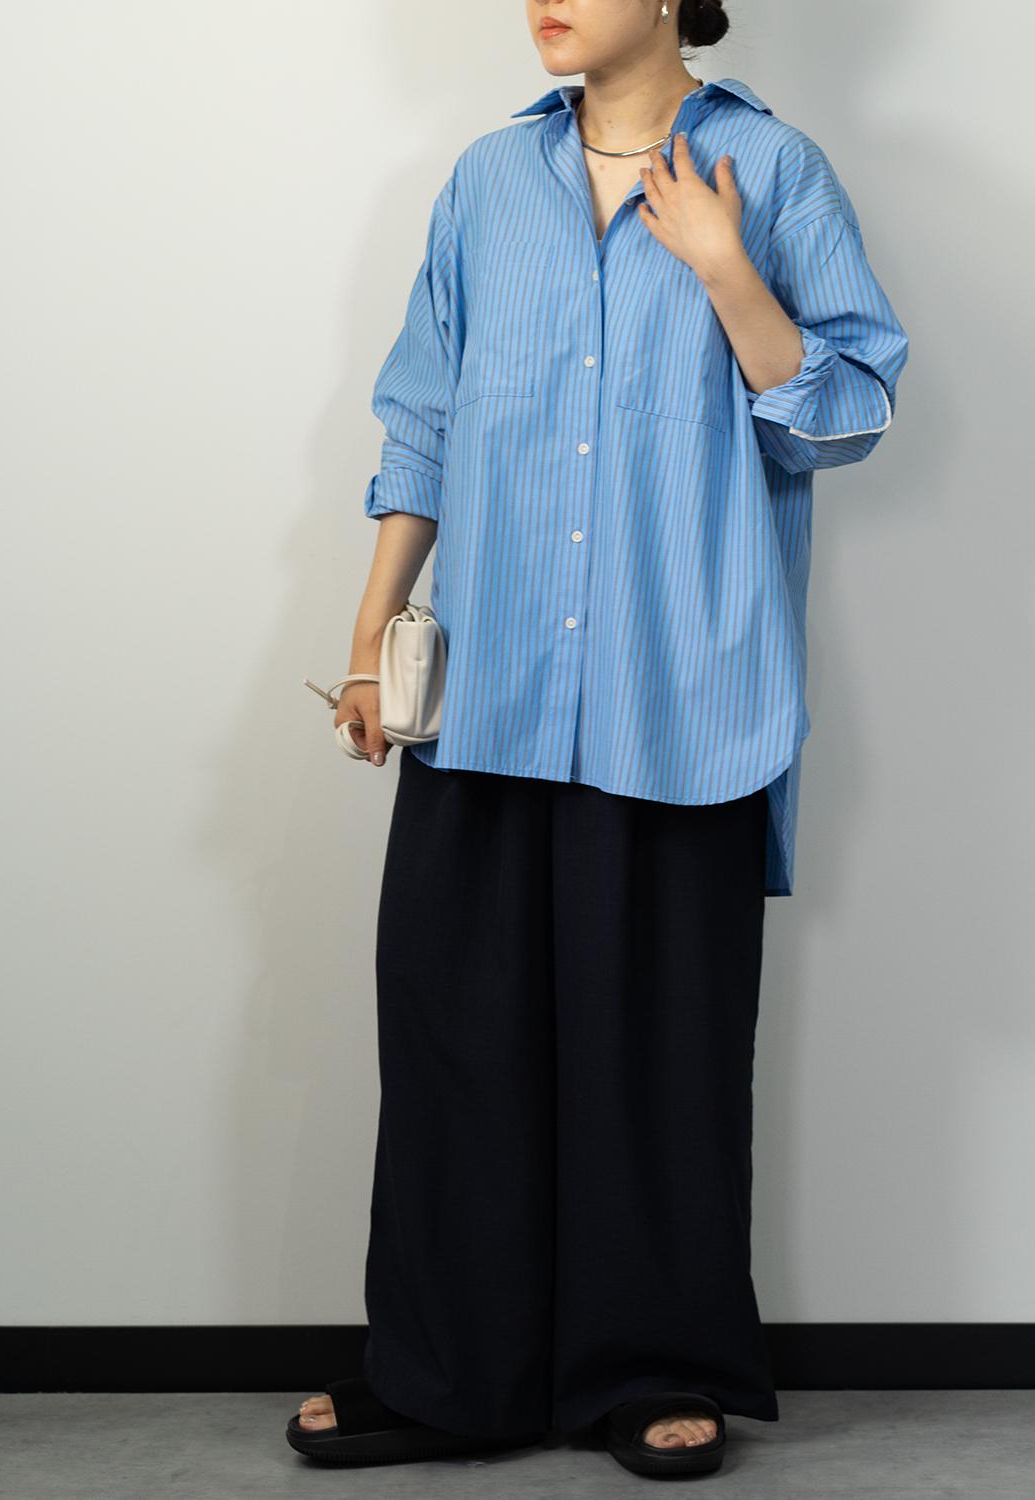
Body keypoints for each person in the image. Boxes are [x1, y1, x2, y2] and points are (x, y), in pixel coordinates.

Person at [286, 0, 909, 1480]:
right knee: (457, 1040)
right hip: (493, 687)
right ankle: (451, 1375)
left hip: (678, 690)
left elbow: (846, 417)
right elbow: (424, 418)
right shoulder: (486, 183)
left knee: (659, 1051)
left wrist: (727, 271)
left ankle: (652, 1367)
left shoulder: (774, 169)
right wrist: (371, 641)